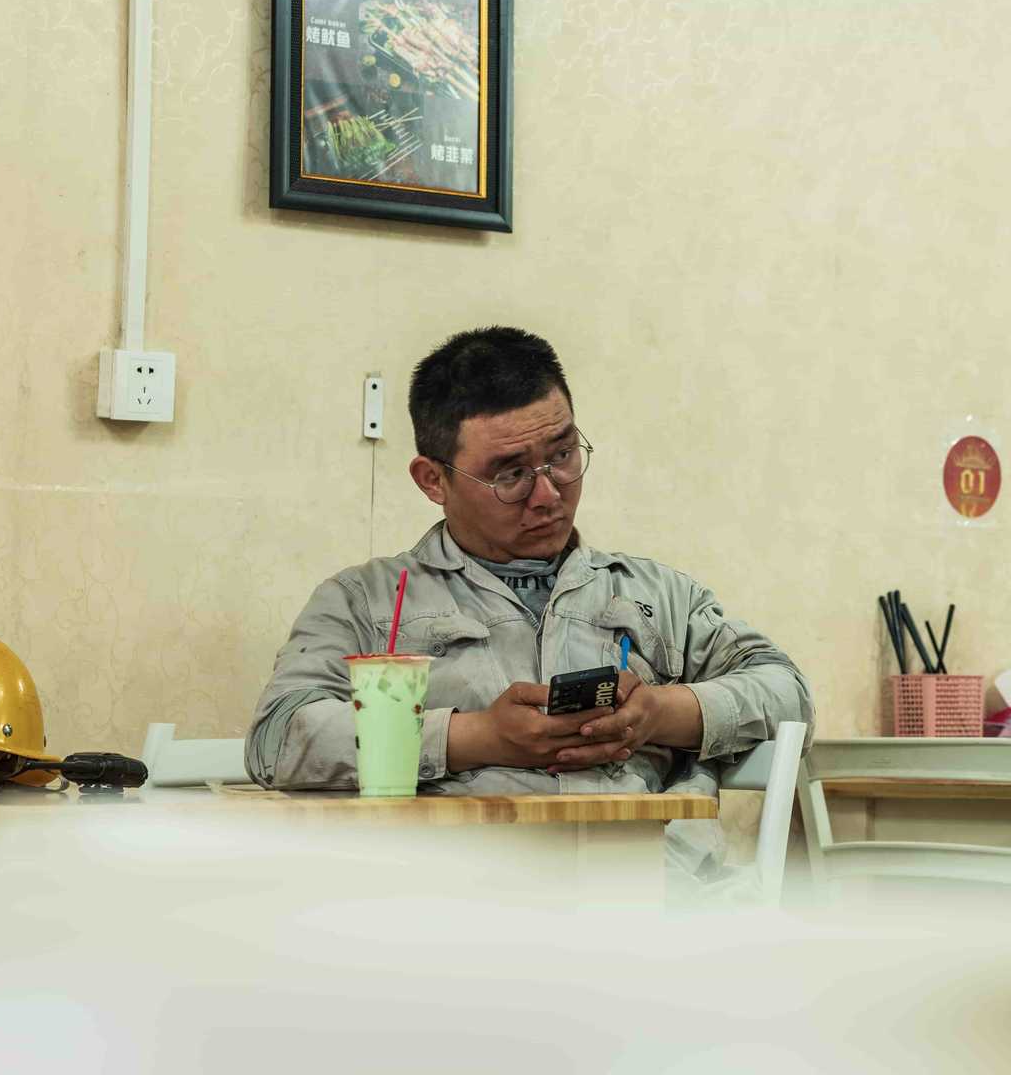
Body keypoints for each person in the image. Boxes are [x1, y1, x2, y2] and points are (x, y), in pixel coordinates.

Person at [247, 327, 812, 821]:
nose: (547, 495)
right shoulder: (366, 602)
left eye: (562, 456)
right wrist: (475, 738)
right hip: (460, 902)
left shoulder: (656, 595)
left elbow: (790, 696)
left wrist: (661, 713)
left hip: (651, 893)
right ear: (432, 480)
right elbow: (276, 740)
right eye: (510, 474)